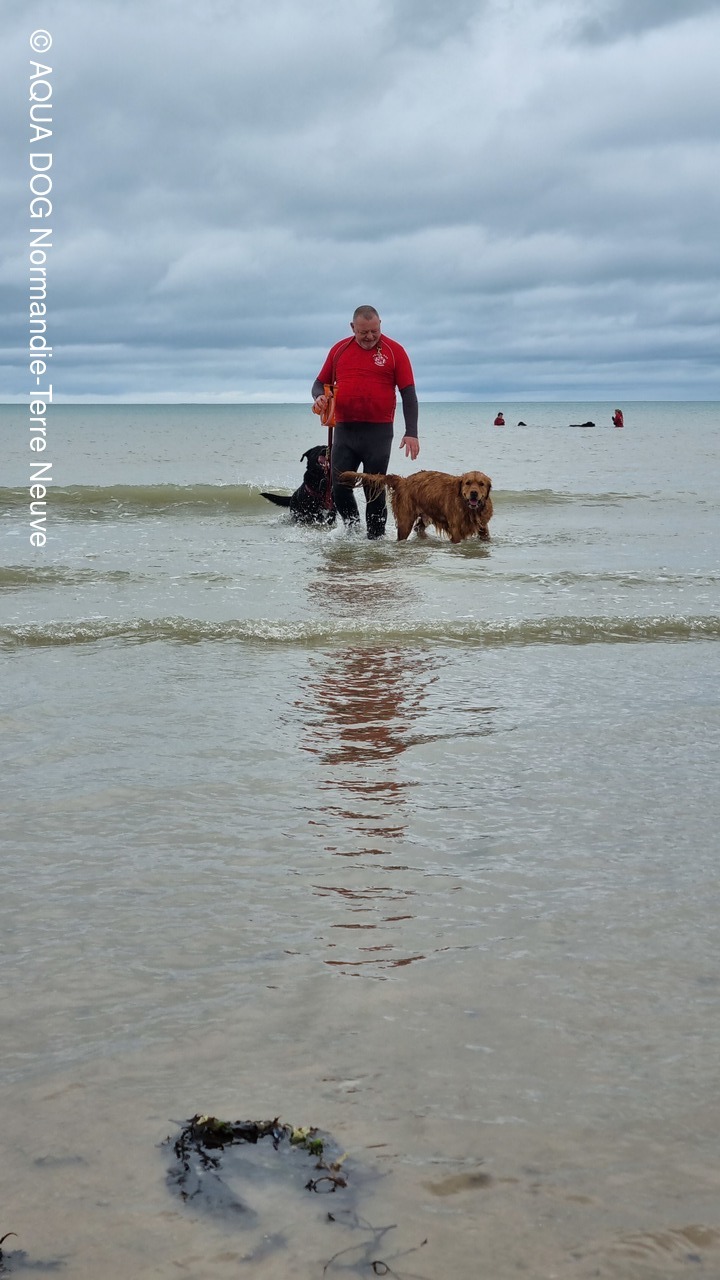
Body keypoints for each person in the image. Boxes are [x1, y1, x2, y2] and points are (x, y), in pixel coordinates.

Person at [312, 306, 419, 538]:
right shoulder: (339, 350)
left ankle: (375, 541)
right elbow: (318, 383)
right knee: (340, 487)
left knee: (374, 490)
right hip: (345, 430)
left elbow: (408, 394)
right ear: (353, 328)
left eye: (374, 331)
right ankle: (352, 532)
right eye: (363, 332)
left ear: (380, 324)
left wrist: (411, 432)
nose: (370, 337)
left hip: (378, 433)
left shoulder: (395, 351)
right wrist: (319, 396)